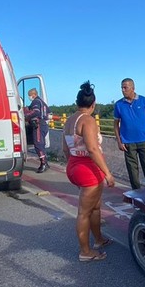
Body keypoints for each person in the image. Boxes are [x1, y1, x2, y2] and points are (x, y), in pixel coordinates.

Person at [63, 81, 115, 262]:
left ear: (77, 102)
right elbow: (93, 149)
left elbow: (65, 149)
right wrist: (107, 173)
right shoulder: (88, 120)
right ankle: (85, 252)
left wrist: (73, 166)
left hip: (74, 166)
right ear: (93, 104)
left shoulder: (69, 120)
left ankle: (99, 240)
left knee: (95, 206)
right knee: (84, 212)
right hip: (88, 170)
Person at [114, 78, 145, 189]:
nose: (123, 90)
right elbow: (116, 124)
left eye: (125, 87)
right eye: (122, 88)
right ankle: (136, 193)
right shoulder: (119, 105)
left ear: (133, 88)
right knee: (132, 171)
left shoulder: (143, 101)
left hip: (144, 141)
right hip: (128, 143)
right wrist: (119, 141)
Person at [23, 88, 50, 172]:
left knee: (38, 145)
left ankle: (43, 164)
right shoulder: (42, 102)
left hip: (38, 125)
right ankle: (46, 162)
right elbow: (49, 112)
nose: (29, 97)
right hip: (44, 125)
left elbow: (35, 112)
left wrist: (25, 116)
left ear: (34, 95)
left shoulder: (36, 102)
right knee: (42, 144)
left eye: (30, 95)